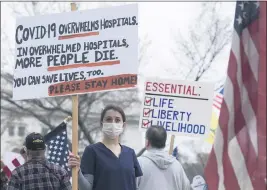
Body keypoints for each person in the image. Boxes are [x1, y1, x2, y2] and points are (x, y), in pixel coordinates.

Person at [68, 105, 143, 190]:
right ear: (101, 123)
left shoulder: (130, 153)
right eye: (108, 119)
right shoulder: (92, 151)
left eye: (117, 120)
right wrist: (78, 172)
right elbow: (86, 188)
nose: (113, 123)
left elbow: (136, 186)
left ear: (123, 125)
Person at [136, 125, 191, 190]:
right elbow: (186, 187)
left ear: (147, 143)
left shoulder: (138, 164)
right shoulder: (177, 166)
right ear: (164, 142)